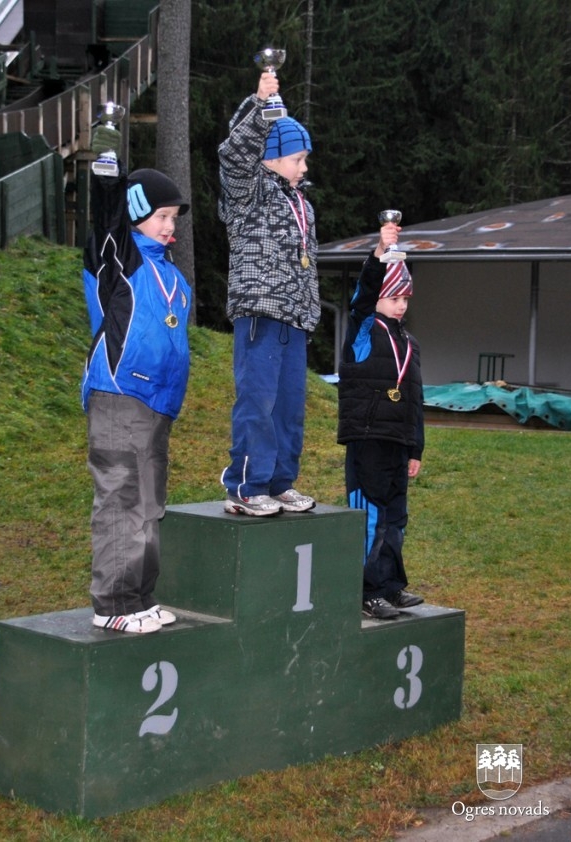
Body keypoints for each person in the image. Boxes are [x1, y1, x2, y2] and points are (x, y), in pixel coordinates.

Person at [81, 124, 191, 634]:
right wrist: (108, 170)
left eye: (173, 218)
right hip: (119, 395)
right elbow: (107, 219)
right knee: (121, 499)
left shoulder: (172, 275)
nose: (171, 227)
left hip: (155, 403)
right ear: (137, 215)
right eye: (162, 217)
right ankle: (114, 605)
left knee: (149, 505)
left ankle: (139, 597)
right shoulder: (117, 262)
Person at [217, 71, 321, 517]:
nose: (303, 167)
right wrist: (261, 106)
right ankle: (245, 486)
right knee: (257, 402)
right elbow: (233, 153)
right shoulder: (249, 192)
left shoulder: (301, 202)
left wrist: (309, 310)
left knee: (289, 409)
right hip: (259, 313)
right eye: (298, 159)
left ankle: (279, 482)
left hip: (295, 319)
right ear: (271, 159)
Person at [337, 222, 425, 620]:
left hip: (396, 440)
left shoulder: (410, 343)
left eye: (405, 297)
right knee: (370, 517)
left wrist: (415, 447)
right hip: (368, 438)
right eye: (393, 297)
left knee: (395, 519)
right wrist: (378, 255)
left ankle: (390, 586)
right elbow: (363, 296)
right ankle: (364, 590)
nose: (401, 305)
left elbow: (415, 400)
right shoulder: (363, 330)